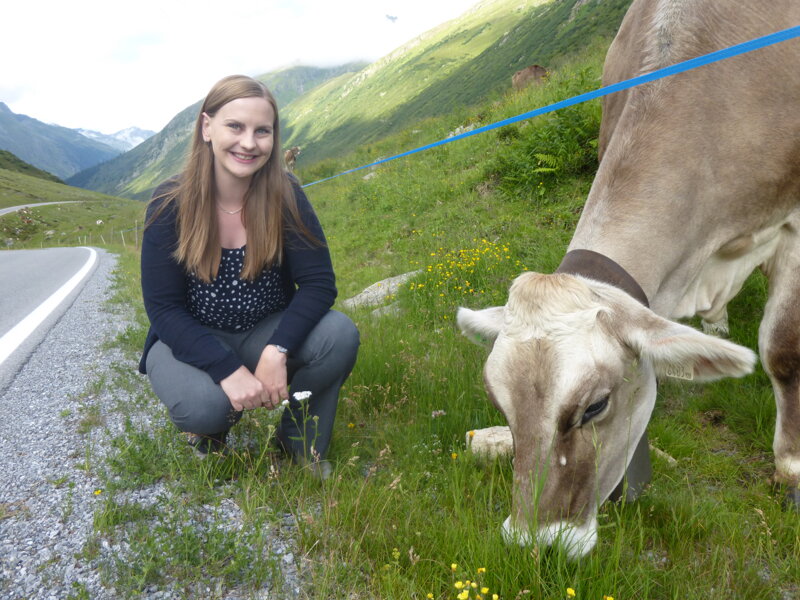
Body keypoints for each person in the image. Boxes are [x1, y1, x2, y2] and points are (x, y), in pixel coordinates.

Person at [138, 74, 359, 476]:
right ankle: (213, 432)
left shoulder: (285, 195)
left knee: (339, 335)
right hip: (189, 336)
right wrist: (227, 370)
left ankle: (299, 447)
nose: (249, 143)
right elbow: (164, 309)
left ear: (274, 139)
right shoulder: (170, 202)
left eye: (263, 131)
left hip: (264, 330)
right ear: (207, 127)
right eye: (234, 126)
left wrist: (277, 351)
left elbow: (319, 283)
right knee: (204, 408)